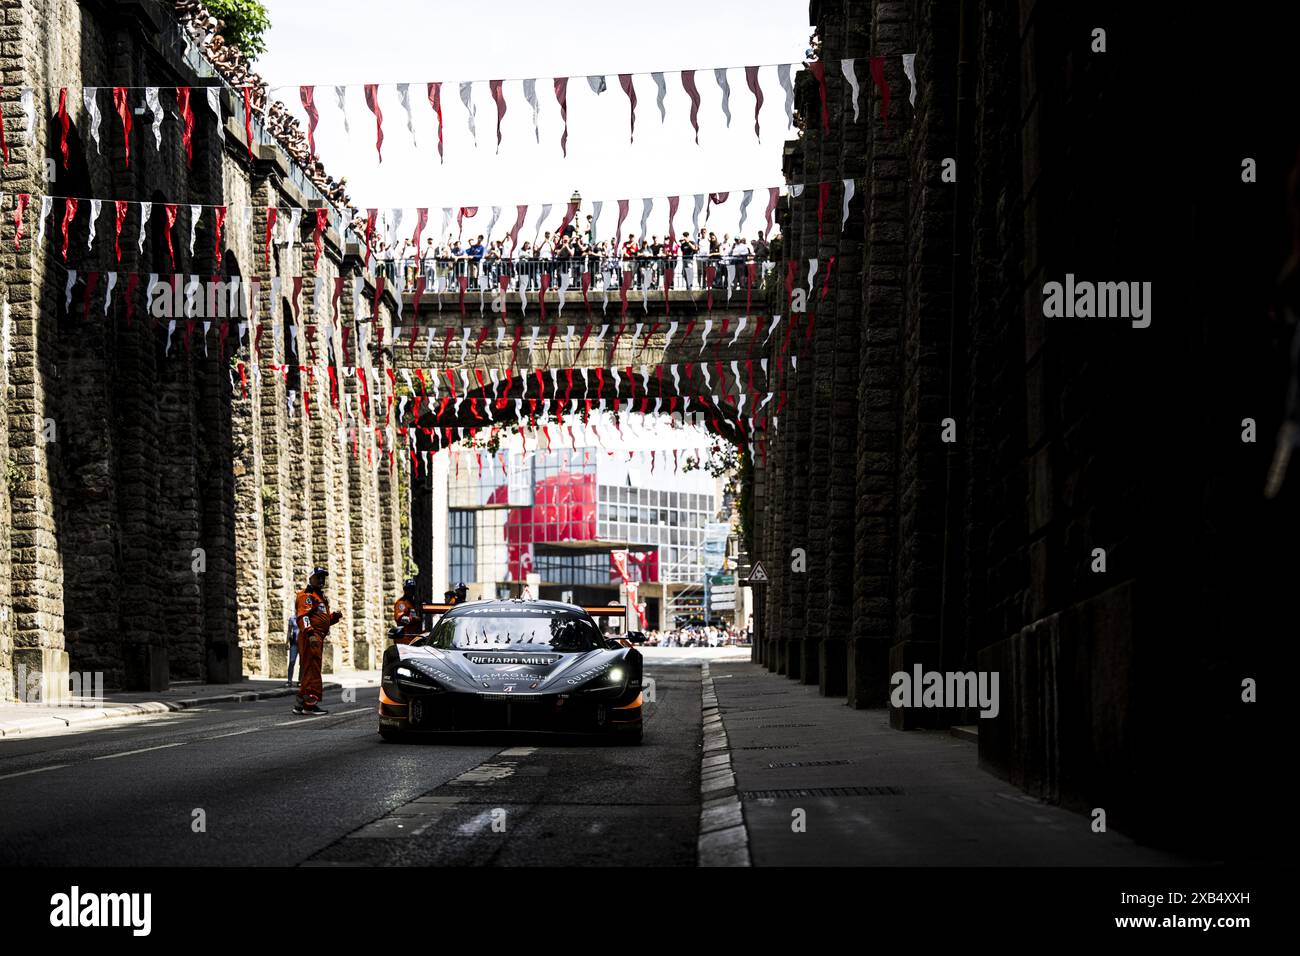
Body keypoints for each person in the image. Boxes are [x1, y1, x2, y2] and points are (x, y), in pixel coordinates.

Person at [293, 567, 342, 715]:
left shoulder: (320, 597)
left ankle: (301, 703)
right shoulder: (307, 596)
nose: (321, 580)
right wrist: (310, 634)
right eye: (318, 577)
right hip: (311, 637)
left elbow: (321, 619)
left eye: (323, 577)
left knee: (309, 669)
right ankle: (310, 705)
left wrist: (333, 617)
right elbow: (303, 616)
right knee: (313, 670)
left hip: (316, 636)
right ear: (311, 579)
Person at [392, 577, 423, 643]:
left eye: (412, 589)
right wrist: (413, 619)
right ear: (405, 590)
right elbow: (399, 618)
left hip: (414, 638)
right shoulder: (401, 603)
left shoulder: (415, 603)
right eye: (408, 589)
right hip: (404, 639)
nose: (410, 591)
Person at [285, 613, 300, 687]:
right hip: (294, 643)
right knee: (291, 661)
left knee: (302, 663)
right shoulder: (292, 618)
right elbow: (289, 631)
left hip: (303, 643)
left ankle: (300, 681)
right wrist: (287, 642)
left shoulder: (306, 618)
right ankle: (289, 681)